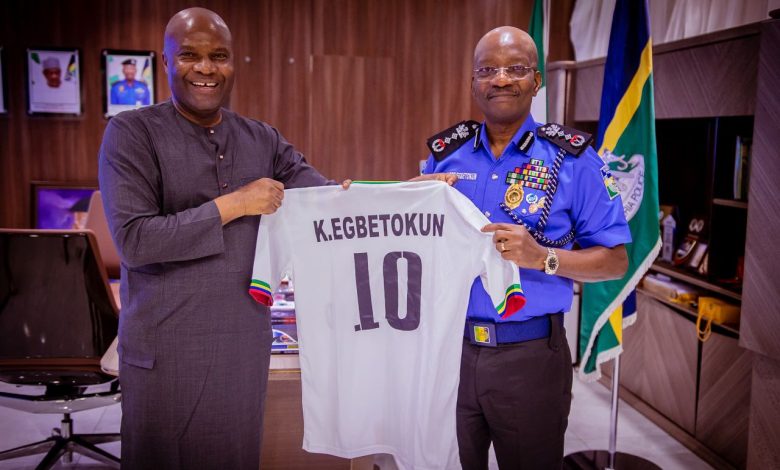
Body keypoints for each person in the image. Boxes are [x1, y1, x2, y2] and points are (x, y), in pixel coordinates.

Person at [99, 7, 451, 469]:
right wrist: (236, 204)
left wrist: (405, 193)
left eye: (219, 56)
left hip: (242, 352)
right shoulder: (132, 133)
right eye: (189, 55)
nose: (206, 68)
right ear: (165, 62)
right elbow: (135, 240)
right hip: (166, 354)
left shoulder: (260, 138)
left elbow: (329, 199)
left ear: (233, 63)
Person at [422, 26, 631, 469]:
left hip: (529, 359)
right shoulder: (444, 157)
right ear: (473, 82)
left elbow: (615, 261)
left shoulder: (573, 161)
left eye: (515, 69)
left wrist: (543, 257)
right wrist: (412, 199)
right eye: (488, 70)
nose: (501, 79)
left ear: (536, 82)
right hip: (447, 353)